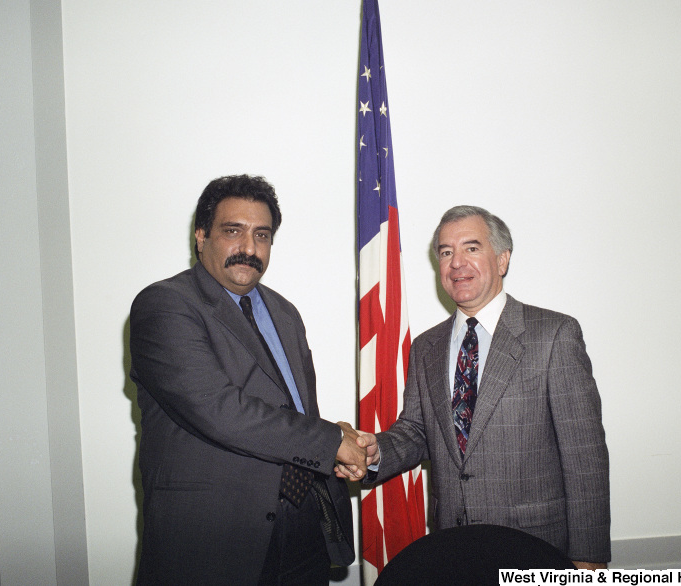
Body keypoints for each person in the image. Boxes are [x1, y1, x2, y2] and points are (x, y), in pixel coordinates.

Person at [338, 205, 611, 568]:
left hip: (534, 545)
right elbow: (417, 431)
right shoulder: (425, 347)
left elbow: (585, 457)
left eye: (471, 248)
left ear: (502, 259)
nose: (456, 263)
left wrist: (588, 559)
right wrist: (372, 452)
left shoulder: (553, 335)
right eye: (446, 252)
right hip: (454, 544)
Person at [130, 174, 366, 585]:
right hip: (213, 539)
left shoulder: (284, 312)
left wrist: (335, 437)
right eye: (232, 231)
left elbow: (294, 411)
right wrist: (330, 441)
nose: (249, 248)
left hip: (303, 529)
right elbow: (220, 410)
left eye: (262, 235)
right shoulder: (165, 304)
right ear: (201, 236)